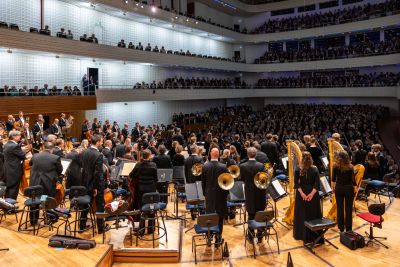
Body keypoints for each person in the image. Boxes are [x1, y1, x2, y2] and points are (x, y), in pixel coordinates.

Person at [293, 151, 322, 243]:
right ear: (311, 159)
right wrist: (311, 194)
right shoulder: (315, 169)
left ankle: (300, 235)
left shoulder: (298, 169)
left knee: (301, 214)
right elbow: (317, 184)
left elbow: (296, 184)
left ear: (302, 159)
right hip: (312, 194)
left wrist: (302, 194)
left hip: (301, 194)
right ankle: (314, 236)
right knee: (313, 214)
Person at [201, 148, 228, 244]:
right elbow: (227, 183)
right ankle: (218, 236)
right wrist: (226, 194)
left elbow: (203, 183)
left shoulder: (205, 166)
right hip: (221, 195)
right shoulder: (223, 167)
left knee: (209, 215)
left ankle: (209, 236)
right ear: (219, 155)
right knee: (220, 217)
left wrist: (205, 193)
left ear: (211, 154)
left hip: (209, 194)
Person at [80, 134, 105, 233]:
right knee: (100, 205)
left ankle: (82, 226)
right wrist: (95, 188)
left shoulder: (84, 151)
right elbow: (98, 173)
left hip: (85, 182)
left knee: (85, 204)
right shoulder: (98, 155)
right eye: (101, 141)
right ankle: (100, 228)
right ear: (98, 142)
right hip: (95, 185)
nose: (102, 142)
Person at [240, 147, 266, 242]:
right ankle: (260, 237)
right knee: (260, 214)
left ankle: (250, 237)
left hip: (249, 192)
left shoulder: (242, 166)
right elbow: (265, 178)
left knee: (251, 214)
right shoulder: (261, 165)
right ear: (255, 154)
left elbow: (241, 178)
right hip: (260, 193)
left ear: (248, 154)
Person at [129, 149, 157, 232]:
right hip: (151, 188)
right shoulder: (154, 165)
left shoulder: (138, 165)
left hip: (141, 188)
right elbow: (156, 178)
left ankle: (141, 228)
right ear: (149, 156)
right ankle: (150, 229)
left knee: (141, 207)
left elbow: (131, 175)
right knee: (151, 206)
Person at [332, 150, 357, 232]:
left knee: (339, 208)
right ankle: (349, 228)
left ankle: (341, 227)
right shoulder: (350, 167)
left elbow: (333, 180)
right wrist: (355, 187)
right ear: (347, 157)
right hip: (348, 188)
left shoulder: (335, 166)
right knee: (349, 209)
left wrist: (333, 188)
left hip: (338, 188)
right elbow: (353, 180)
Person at [3, 130, 29, 200]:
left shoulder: (6, 144)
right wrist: (27, 151)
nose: (20, 136)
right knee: (13, 189)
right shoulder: (14, 146)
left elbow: (15, 153)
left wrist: (21, 148)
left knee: (9, 188)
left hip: (7, 169)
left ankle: (7, 206)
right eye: (19, 135)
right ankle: (11, 208)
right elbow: (23, 155)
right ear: (14, 137)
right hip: (14, 170)